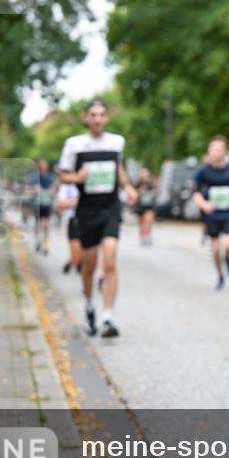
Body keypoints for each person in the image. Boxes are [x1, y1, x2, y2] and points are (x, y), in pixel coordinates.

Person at [57, 99, 137, 338]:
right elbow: (63, 175)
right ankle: (90, 303)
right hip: (87, 210)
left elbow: (118, 169)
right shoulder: (74, 145)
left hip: (110, 207)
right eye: (93, 115)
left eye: (102, 114)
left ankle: (107, 318)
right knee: (89, 265)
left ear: (107, 118)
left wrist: (128, 187)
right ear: (86, 118)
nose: (97, 119)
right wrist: (77, 178)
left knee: (110, 261)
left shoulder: (116, 142)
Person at [192, 136, 229, 290]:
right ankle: (220, 275)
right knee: (216, 249)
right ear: (209, 151)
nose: (217, 152)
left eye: (220, 149)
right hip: (212, 214)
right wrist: (204, 204)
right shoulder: (203, 172)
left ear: (225, 151)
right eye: (214, 149)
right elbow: (195, 193)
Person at [28, 159, 57, 254]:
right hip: (37, 204)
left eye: (44, 168)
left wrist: (50, 191)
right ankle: (37, 242)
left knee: (46, 225)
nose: (42, 170)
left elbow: (54, 188)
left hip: (47, 204)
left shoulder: (50, 177)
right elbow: (28, 190)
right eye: (40, 168)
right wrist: (34, 189)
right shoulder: (33, 178)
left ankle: (45, 244)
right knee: (37, 224)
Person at [55, 183, 82, 274]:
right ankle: (71, 264)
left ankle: (72, 264)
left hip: (88, 219)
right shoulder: (66, 186)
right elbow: (60, 205)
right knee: (76, 251)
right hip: (73, 220)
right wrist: (77, 200)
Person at [132, 168, 157, 247]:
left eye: (146, 176)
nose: (145, 177)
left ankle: (147, 236)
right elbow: (133, 193)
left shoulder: (150, 183)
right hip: (140, 206)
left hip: (149, 205)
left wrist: (149, 193)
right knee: (141, 223)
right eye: (143, 176)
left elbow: (155, 191)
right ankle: (142, 236)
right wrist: (139, 192)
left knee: (148, 221)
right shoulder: (137, 183)